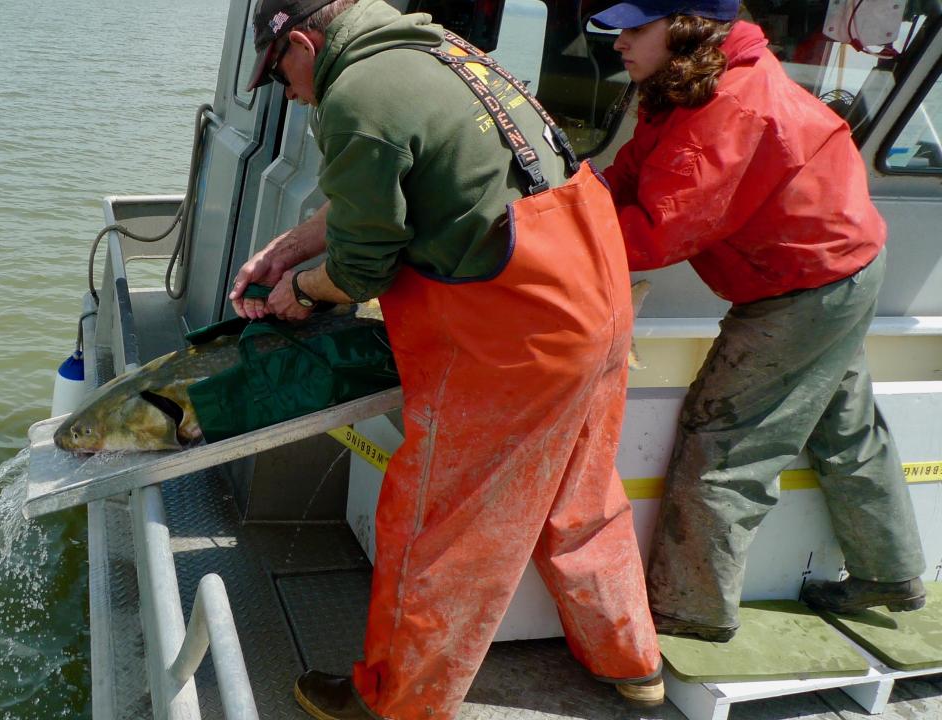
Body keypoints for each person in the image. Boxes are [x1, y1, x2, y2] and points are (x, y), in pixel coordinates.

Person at [231, 0, 663, 717]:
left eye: (282, 75)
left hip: (515, 337)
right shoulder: (438, 51)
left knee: (439, 528)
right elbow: (402, 174)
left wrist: (299, 291)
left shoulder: (356, 94)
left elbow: (364, 269)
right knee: (582, 497)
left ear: (302, 42)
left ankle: (395, 699)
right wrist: (292, 247)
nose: (292, 92)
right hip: (597, 300)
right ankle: (632, 662)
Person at [591, 0, 927, 642]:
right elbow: (636, 171)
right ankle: (891, 573)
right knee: (842, 427)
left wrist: (541, 241)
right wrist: (578, 196)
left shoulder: (728, 106)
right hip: (840, 265)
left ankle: (690, 611)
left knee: (724, 441)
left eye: (636, 29)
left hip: (807, 283)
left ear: (685, 29)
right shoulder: (687, 84)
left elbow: (658, 234)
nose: (618, 43)